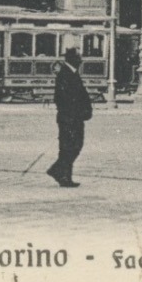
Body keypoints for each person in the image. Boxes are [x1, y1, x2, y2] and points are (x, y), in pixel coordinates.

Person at [47, 48, 93, 187]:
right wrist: (75, 114)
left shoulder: (71, 73)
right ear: (73, 59)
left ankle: (63, 175)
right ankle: (59, 172)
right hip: (69, 119)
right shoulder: (65, 74)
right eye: (79, 58)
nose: (81, 60)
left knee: (72, 147)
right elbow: (62, 99)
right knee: (71, 147)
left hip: (73, 118)